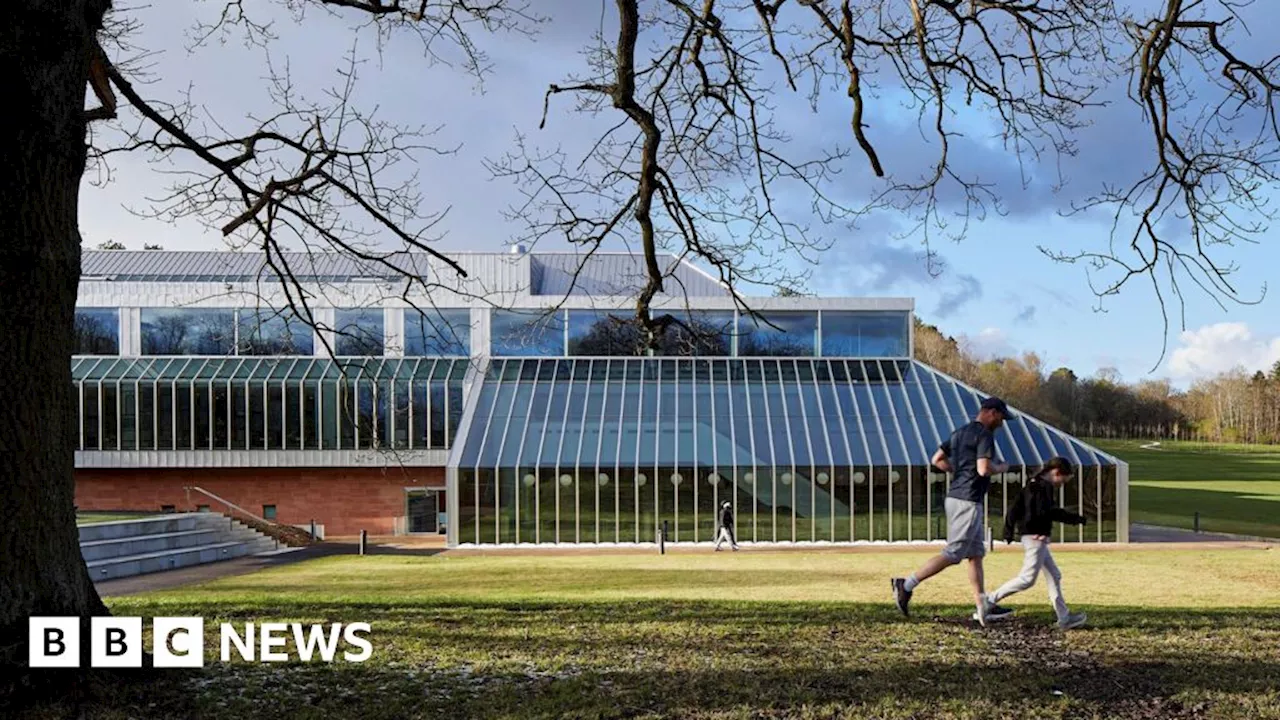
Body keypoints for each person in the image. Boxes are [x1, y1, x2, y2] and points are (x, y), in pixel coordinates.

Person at [891, 396, 1014, 626]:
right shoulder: (984, 435)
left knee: (976, 555)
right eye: (1001, 418)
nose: (1002, 423)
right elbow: (984, 469)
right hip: (967, 500)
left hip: (959, 497)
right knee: (954, 553)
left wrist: (958, 472)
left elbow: (937, 459)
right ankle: (905, 585)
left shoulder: (959, 433)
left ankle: (983, 606)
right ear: (992, 412)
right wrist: (1001, 467)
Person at [987, 456, 1089, 630]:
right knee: (1027, 579)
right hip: (1036, 537)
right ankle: (988, 601)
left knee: (1054, 575)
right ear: (1056, 473)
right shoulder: (1043, 487)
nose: (1062, 484)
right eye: (1063, 480)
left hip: (1034, 535)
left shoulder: (1032, 484)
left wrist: (1009, 530)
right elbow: (1047, 512)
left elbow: (1015, 508)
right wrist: (1076, 519)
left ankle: (1064, 617)